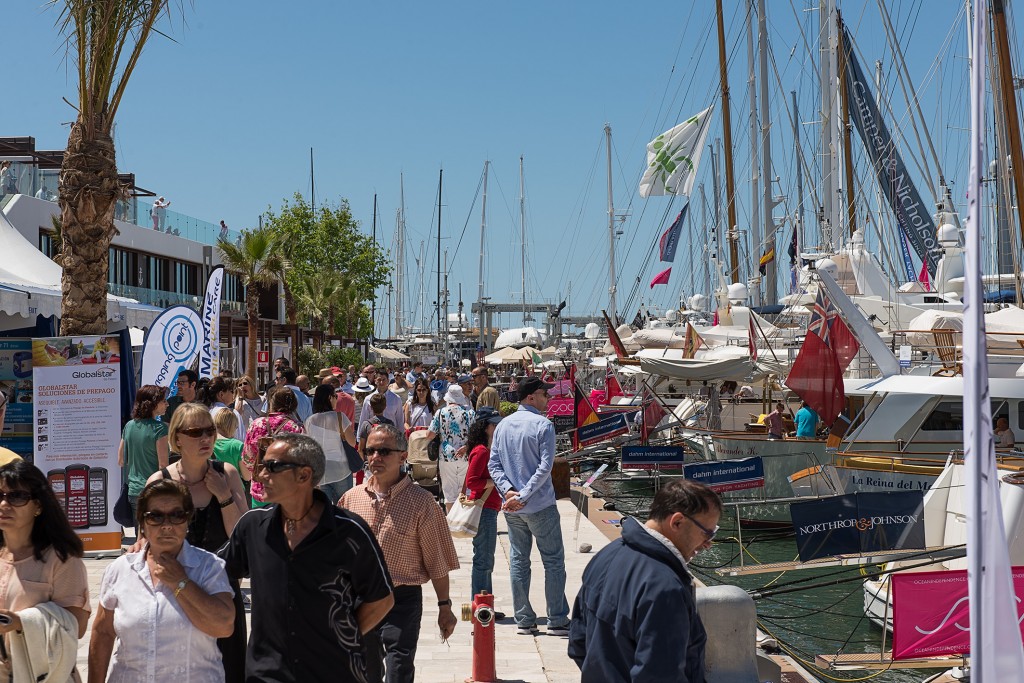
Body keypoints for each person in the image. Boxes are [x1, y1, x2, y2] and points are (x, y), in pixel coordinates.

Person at [220, 434, 395, 682]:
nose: (260, 475)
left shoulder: (349, 533)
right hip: (267, 674)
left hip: (332, 673)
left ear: (303, 475)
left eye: (272, 466)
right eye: (260, 465)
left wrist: (342, 638)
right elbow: (216, 570)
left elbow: (381, 599)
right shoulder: (252, 527)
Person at [568, 479, 722, 682]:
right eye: (707, 533)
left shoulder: (605, 556)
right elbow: (660, 676)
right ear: (677, 522)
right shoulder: (666, 588)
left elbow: (578, 641)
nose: (708, 544)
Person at [340, 424, 459, 683]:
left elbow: (437, 562)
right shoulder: (351, 499)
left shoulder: (422, 503)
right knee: (365, 672)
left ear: (403, 456)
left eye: (384, 451)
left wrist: (445, 607)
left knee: (399, 667)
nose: (375, 457)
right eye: (370, 451)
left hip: (402, 600)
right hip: (360, 600)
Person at [89, 479, 235, 682]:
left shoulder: (209, 567)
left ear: (187, 520)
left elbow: (223, 626)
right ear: (142, 523)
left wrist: (180, 582)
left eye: (177, 515)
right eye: (155, 517)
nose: (166, 525)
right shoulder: (120, 570)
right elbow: (103, 632)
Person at [147, 403, 248, 681]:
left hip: (222, 594)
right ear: (177, 438)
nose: (205, 438)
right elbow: (148, 546)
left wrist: (224, 496)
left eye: (209, 431)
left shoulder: (226, 473)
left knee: (230, 671)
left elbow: (240, 537)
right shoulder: (160, 482)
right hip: (175, 595)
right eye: (195, 432)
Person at [488, 376, 569, 636]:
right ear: (531, 397)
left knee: (519, 561)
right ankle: (557, 619)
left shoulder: (503, 425)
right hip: (539, 504)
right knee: (553, 561)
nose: (549, 398)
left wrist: (508, 491)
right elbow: (545, 467)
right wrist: (522, 495)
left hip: (513, 506)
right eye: (545, 394)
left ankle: (524, 619)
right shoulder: (543, 425)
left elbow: (493, 464)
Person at [0, 460, 89, 682]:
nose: (3, 504)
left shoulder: (62, 560)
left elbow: (76, 627)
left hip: (42, 676)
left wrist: (20, 622)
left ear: (38, 506)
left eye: (16, 496)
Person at [464, 407, 503, 598]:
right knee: (484, 559)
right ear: (485, 427)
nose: (497, 427)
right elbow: (471, 481)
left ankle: (483, 600)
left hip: (488, 509)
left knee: (485, 558)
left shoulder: (484, 450)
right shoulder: (481, 451)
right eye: (494, 424)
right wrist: (495, 481)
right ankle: (481, 603)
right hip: (484, 509)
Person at [243, 387, 305, 507]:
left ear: (271, 403)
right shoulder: (296, 428)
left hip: (261, 488)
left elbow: (248, 458)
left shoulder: (257, 424)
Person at [118, 384, 170, 523]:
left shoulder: (129, 426)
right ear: (153, 404)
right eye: (163, 401)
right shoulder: (160, 428)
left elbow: (121, 460)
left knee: (140, 533)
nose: (167, 404)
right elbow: (163, 466)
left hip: (133, 491)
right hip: (154, 491)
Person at [426, 384, 475, 509]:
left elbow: (429, 435)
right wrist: (466, 446)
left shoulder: (441, 413)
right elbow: (476, 436)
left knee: (449, 493)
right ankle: (464, 518)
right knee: (465, 490)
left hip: (446, 456)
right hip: (465, 455)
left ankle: (452, 520)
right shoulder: (470, 413)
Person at [305, 383, 356, 502]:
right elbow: (352, 442)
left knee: (324, 508)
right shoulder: (340, 417)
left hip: (320, 470)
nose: (337, 399)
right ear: (329, 398)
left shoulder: (310, 421)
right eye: (335, 396)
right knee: (344, 506)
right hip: (340, 469)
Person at [358, 368, 404, 436]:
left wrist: (401, 437)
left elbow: (400, 421)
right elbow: (363, 419)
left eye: (384, 379)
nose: (381, 382)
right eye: (379, 380)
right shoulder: (368, 399)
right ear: (375, 381)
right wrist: (359, 438)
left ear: (388, 381)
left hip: (391, 437)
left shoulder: (396, 399)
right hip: (373, 437)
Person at [206, 376, 245, 441]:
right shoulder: (232, 413)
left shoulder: (205, 412)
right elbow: (240, 440)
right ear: (221, 394)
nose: (233, 394)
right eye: (231, 391)